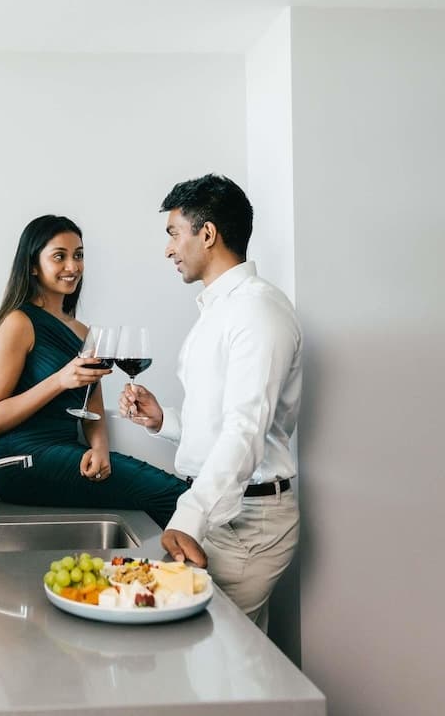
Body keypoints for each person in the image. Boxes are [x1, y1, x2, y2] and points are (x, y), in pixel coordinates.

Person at [119, 174, 302, 631]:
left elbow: (246, 430)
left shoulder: (257, 311)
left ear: (207, 234)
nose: (168, 250)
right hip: (225, 513)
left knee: (220, 657)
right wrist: (165, 421)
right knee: (225, 659)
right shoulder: (221, 310)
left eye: (174, 234)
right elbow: (224, 423)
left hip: (247, 523)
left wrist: (190, 516)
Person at [0, 215, 187, 528]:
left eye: (78, 255)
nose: (72, 266)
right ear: (33, 265)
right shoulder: (19, 323)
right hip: (21, 462)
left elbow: (92, 407)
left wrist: (100, 449)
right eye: (59, 256)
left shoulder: (82, 331)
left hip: (66, 452)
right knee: (173, 495)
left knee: (173, 494)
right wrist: (60, 380)